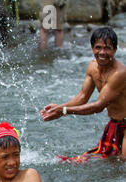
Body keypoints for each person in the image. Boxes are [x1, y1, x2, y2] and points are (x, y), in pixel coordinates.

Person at [40, 27, 126, 161]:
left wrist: (63, 110)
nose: (102, 52)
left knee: (122, 165)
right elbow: (82, 97)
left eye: (107, 48)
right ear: (92, 48)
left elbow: (98, 106)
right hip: (114, 123)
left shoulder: (119, 73)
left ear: (115, 50)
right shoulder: (92, 67)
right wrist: (59, 107)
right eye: (98, 47)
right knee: (107, 163)